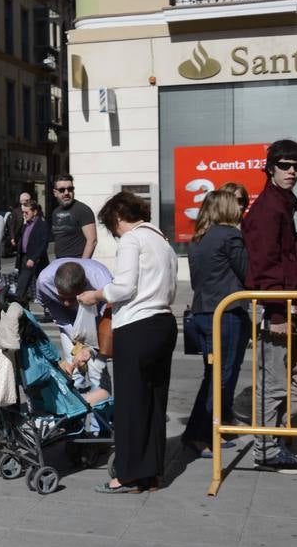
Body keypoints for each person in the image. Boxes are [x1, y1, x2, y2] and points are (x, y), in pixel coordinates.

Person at [241, 139, 297, 473]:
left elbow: (291, 246)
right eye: (285, 165)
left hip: (289, 306)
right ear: (270, 168)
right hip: (277, 310)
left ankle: (268, 429)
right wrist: (277, 312)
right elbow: (263, 267)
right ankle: (265, 447)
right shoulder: (267, 209)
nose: (292, 172)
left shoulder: (283, 204)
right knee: (275, 382)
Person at [86, 192, 178, 494]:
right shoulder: (163, 241)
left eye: (111, 227)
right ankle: (151, 474)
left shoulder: (131, 239)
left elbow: (123, 287)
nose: (113, 235)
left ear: (116, 217)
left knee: (130, 404)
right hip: (163, 323)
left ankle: (126, 474)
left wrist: (97, 294)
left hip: (137, 326)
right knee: (154, 401)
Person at [182, 191, 250, 458]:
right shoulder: (229, 235)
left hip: (202, 312)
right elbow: (247, 271)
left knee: (212, 377)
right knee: (221, 377)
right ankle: (200, 435)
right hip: (226, 313)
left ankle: (198, 434)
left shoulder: (198, 239)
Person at [35, 259, 114, 402]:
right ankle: (76, 416)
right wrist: (72, 332)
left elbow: (108, 318)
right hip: (67, 319)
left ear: (84, 287)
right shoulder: (44, 281)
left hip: (97, 315)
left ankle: (102, 416)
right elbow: (49, 305)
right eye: (61, 297)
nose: (66, 303)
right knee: (74, 370)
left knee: (97, 370)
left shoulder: (101, 280)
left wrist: (91, 348)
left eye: (71, 299)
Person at [49, 174, 97, 259]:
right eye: (62, 190)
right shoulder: (55, 212)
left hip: (77, 263)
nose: (67, 192)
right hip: (60, 262)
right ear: (55, 193)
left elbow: (92, 241)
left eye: (70, 189)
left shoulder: (83, 210)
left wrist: (83, 264)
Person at [13, 196, 49, 302]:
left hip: (36, 260)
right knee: (22, 286)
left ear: (35, 212)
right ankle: (21, 309)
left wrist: (33, 258)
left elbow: (43, 244)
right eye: (23, 212)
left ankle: (48, 310)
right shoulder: (26, 223)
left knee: (42, 285)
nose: (24, 215)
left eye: (26, 212)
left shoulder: (42, 224)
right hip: (24, 258)